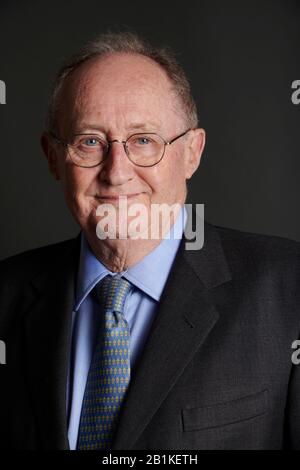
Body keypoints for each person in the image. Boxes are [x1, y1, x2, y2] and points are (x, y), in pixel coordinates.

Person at [0, 31, 300, 451]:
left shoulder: (288, 291)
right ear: (53, 157)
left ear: (192, 152)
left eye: (144, 140)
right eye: (90, 142)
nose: (117, 171)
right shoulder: (6, 296)